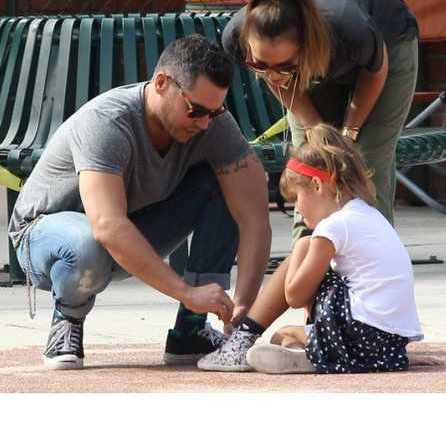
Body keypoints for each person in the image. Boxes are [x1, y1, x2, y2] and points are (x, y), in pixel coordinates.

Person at [8, 34, 271, 370]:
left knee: (225, 188)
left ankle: (190, 330)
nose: (205, 123)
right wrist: (185, 292)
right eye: (195, 111)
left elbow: (254, 216)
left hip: (123, 229)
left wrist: (243, 307)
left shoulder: (212, 125)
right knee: (88, 243)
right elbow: (108, 226)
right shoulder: (107, 122)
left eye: (214, 112)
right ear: (161, 84)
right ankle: (68, 318)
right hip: (45, 236)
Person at [198, 123, 423, 374]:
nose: (298, 210)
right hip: (389, 345)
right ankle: (305, 353)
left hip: (360, 334)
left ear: (317, 186)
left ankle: (242, 341)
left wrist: (302, 245)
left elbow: (295, 297)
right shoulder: (370, 215)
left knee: (284, 329)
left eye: (297, 198)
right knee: (288, 333)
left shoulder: (333, 227)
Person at [222, 0, 419, 242]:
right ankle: (307, 253)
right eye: (260, 65)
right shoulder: (236, 37)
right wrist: (316, 130)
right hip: (315, 61)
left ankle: (370, 254)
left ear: (306, 45)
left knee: (365, 160)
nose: (272, 75)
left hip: (388, 43)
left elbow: (375, 72)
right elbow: (279, 82)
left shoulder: (352, 31)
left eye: (284, 66)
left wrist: (348, 134)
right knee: (308, 162)